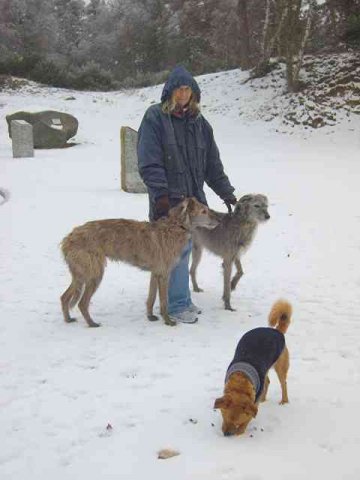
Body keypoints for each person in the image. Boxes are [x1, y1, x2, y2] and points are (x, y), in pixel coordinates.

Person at [137, 65, 236, 324]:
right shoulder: (155, 118)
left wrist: (226, 191)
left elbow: (212, 164)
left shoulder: (200, 124)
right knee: (172, 252)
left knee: (186, 248)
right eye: (179, 89)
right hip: (169, 201)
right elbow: (149, 161)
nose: (183, 94)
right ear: (170, 91)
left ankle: (181, 299)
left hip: (194, 201)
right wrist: (160, 195)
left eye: (188, 89)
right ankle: (176, 305)